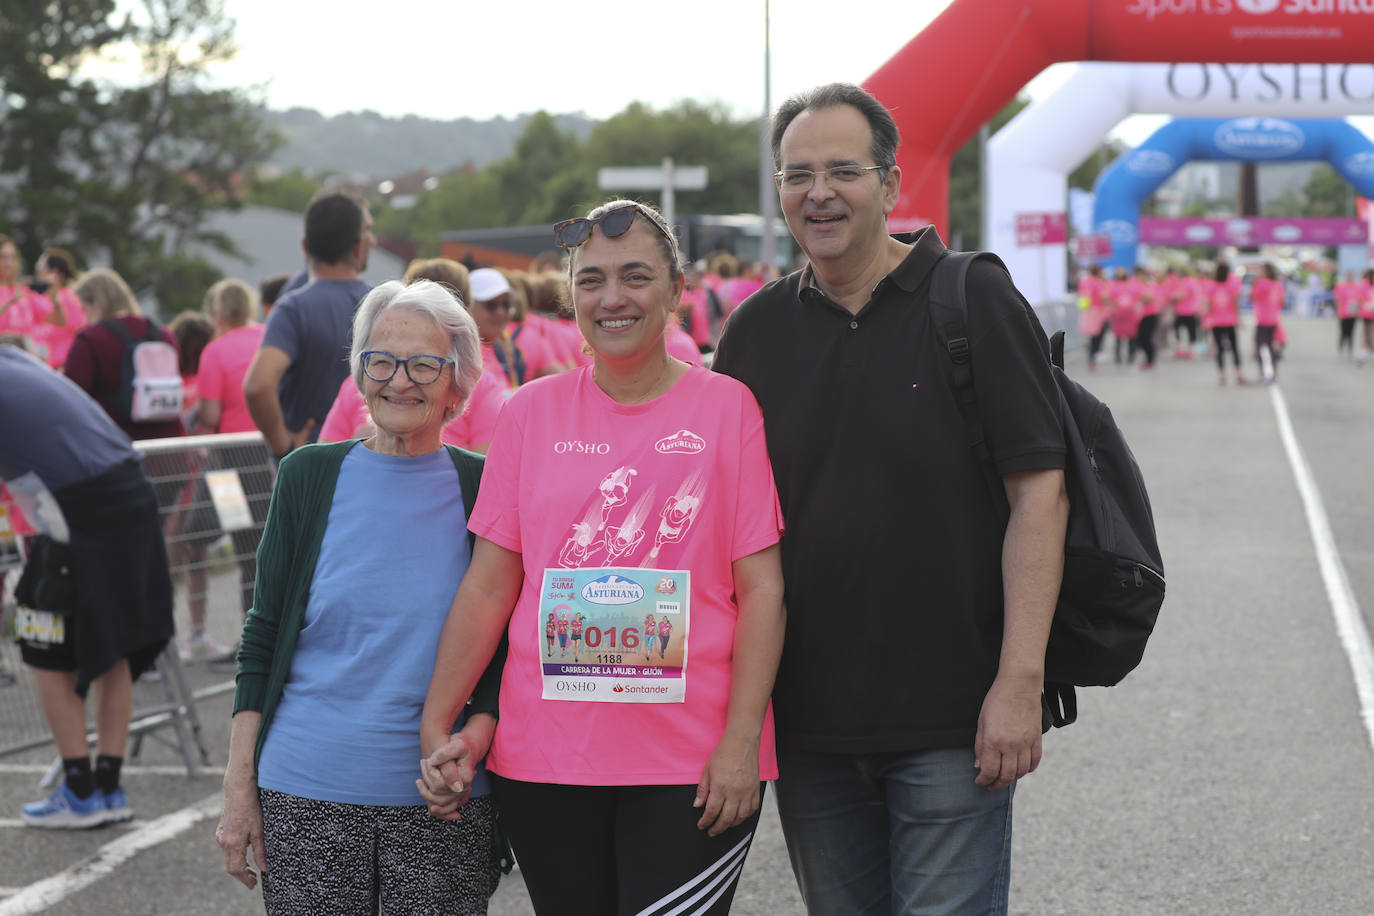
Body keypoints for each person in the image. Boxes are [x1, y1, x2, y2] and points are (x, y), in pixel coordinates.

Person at [711, 82, 1069, 915]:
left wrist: (1020, 682)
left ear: (891, 183)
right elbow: (727, 528)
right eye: (797, 175)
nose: (819, 193)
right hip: (809, 726)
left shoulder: (973, 298)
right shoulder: (753, 334)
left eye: (843, 170)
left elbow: (1039, 497)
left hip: (953, 719)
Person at [419, 199, 786, 916]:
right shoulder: (529, 412)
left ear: (677, 289)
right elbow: (491, 587)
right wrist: (440, 723)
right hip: (546, 762)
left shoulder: (728, 407)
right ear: (570, 294)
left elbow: (763, 591)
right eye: (591, 280)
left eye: (635, 276)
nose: (611, 298)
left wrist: (743, 739)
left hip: (692, 764)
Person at [215, 279, 503, 913]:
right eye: (381, 359)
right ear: (359, 370)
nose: (399, 380)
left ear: (458, 381)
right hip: (306, 794)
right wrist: (239, 788)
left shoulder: (485, 487)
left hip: (442, 801)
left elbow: (505, 653)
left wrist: (475, 742)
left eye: (424, 363)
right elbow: (261, 638)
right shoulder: (307, 476)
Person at [2, 344, 174, 828]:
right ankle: (107, 786)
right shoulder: (17, 360)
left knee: (42, 641)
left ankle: (80, 791)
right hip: (127, 489)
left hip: (84, 504)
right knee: (113, 644)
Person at [243, 191, 374, 462]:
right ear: (358, 247)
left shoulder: (293, 308)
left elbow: (258, 386)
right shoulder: (384, 305)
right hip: (372, 462)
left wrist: (283, 449)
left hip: (308, 467)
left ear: (305, 248)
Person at [64, 268, 185, 441]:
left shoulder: (89, 339)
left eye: (83, 309)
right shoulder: (164, 335)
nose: (84, 317)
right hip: (169, 447)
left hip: (117, 447)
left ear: (94, 303)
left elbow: (72, 397)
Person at [28, 247, 86, 369]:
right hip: (40, 363)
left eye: (40, 266)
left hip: (63, 365)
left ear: (54, 272)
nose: (37, 271)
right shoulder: (34, 296)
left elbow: (78, 326)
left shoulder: (70, 298)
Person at [1208, 262, 1247, 386]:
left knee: (1219, 349)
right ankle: (1238, 374)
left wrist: (1208, 318)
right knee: (1234, 348)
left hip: (1217, 321)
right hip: (1229, 320)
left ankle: (1222, 375)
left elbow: (1209, 306)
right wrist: (1239, 318)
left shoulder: (1212, 286)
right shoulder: (1231, 286)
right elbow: (1236, 304)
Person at [1250, 263, 1285, 383]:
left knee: (1260, 346)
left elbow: (1251, 297)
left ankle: (1262, 373)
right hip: (1274, 319)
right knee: (1272, 346)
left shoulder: (1261, 283)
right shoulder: (1278, 285)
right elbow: (1282, 302)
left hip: (1263, 319)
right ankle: (1275, 374)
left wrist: (1254, 285)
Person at [1333, 270, 1363, 359]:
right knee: (1343, 332)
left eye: (1352, 276)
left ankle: (1350, 351)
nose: (1350, 278)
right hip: (1343, 313)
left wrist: (1359, 310)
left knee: (1351, 333)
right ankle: (1340, 349)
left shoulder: (1356, 287)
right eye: (1349, 276)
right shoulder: (1341, 286)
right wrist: (1338, 313)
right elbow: (1338, 300)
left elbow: (1359, 299)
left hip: (1352, 314)